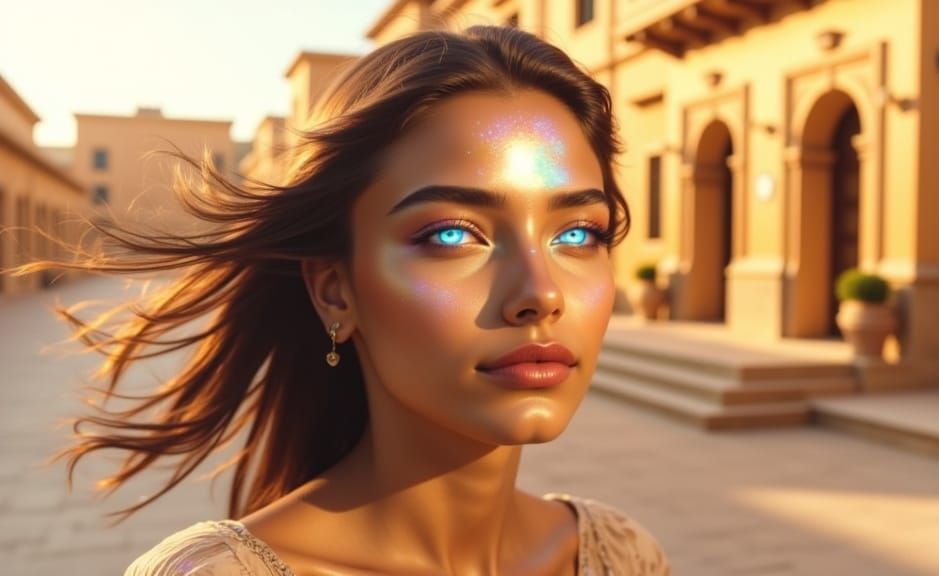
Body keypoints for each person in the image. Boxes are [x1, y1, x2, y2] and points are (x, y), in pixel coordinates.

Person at [8, 23, 670, 575]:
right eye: (451, 234)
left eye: (579, 233)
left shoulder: (625, 556)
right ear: (334, 289)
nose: (539, 293)